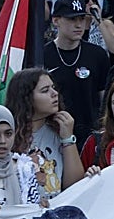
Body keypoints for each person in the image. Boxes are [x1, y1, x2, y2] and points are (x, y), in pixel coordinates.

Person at [6, 67, 92, 201]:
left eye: (53, 87)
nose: (54, 93)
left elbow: (74, 185)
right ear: (26, 98)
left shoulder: (60, 129)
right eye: (45, 90)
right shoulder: (7, 134)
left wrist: (68, 138)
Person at [44, 0, 110, 146]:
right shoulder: (42, 55)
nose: (79, 24)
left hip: (90, 134)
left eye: (81, 18)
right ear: (56, 21)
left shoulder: (97, 54)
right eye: (72, 19)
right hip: (53, 133)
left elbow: (104, 97)